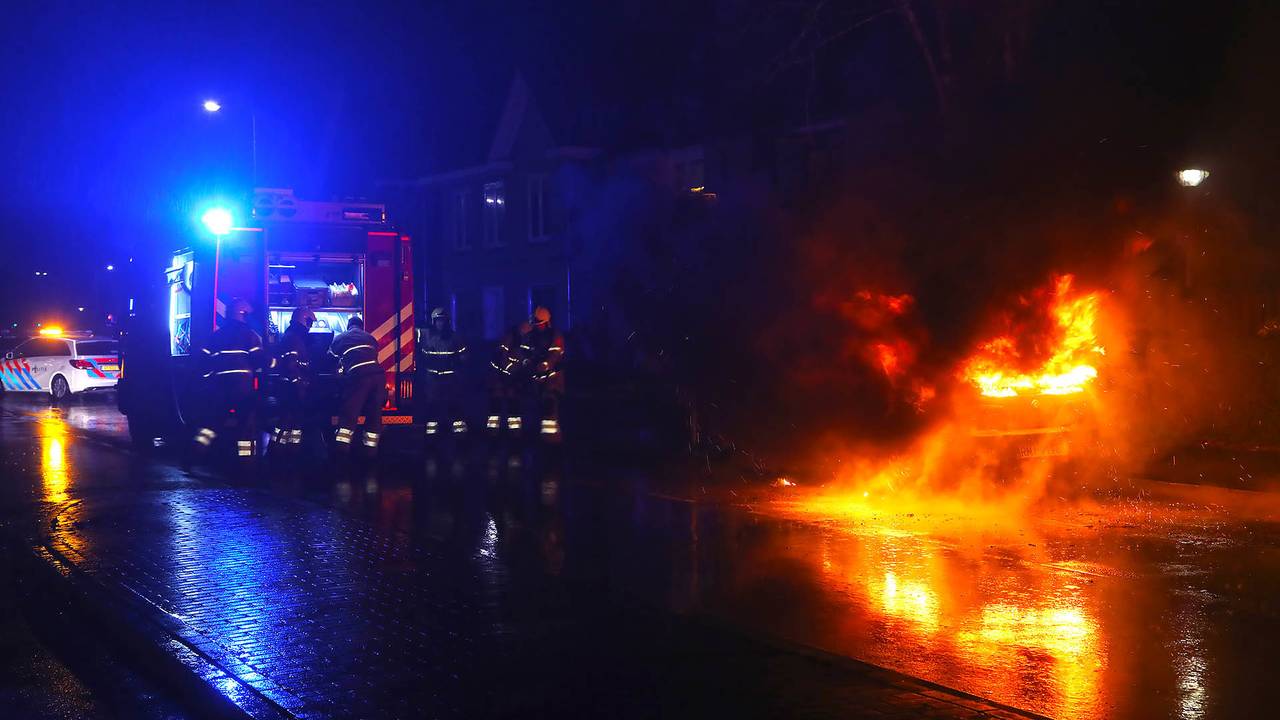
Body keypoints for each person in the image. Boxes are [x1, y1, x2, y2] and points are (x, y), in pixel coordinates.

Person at [191, 298, 270, 461]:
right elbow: (258, 359)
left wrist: (207, 381)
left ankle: (192, 456)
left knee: (211, 425)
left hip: (220, 389)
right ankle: (245, 464)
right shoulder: (249, 335)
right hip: (242, 389)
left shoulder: (217, 335)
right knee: (246, 427)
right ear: (244, 315)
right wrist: (275, 362)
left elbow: (203, 361)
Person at [329, 316, 386, 454]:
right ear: (361, 326)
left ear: (349, 326)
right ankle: (370, 453)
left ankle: (341, 454)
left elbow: (330, 356)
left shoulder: (341, 337)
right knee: (374, 416)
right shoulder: (370, 337)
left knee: (349, 415)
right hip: (378, 378)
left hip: (359, 377)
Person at [418, 307, 468, 439]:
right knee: (432, 405)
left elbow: (464, 356)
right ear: (433, 322)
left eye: (443, 321)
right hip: (432, 378)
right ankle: (431, 434)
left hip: (451, 378)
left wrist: (459, 365)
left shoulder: (455, 337)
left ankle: (459, 434)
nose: (441, 323)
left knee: (454, 404)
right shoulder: (426, 335)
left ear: (447, 322)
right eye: (438, 321)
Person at [271, 307, 316, 454]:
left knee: (293, 419)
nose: (310, 326)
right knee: (287, 419)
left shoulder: (292, 336)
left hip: (289, 386)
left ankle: (288, 450)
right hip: (292, 387)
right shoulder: (294, 338)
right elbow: (292, 364)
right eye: (310, 322)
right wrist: (299, 384)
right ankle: (278, 449)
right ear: (304, 321)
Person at [522, 306, 565, 440]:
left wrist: (545, 364)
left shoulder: (555, 335)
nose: (537, 327)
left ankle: (552, 442)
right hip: (536, 379)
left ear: (546, 323)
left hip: (553, 378)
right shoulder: (531, 336)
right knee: (536, 410)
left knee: (550, 409)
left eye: (539, 324)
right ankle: (540, 440)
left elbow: (555, 354)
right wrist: (526, 362)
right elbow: (525, 352)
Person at [487, 321, 529, 436]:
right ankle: (496, 435)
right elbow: (503, 359)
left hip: (508, 380)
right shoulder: (510, 341)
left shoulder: (521, 342)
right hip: (501, 379)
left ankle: (511, 435)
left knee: (511, 407)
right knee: (499, 407)